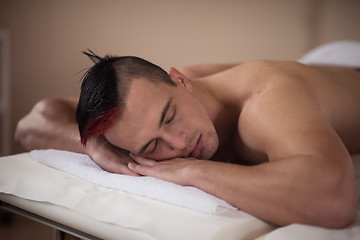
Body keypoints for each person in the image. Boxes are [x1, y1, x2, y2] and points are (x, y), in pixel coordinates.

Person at [15, 44, 360, 229]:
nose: (178, 144)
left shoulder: (264, 103)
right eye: (152, 145)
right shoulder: (137, 109)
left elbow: (333, 199)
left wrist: (194, 172)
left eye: (170, 116)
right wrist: (95, 147)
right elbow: (32, 121)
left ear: (179, 79)